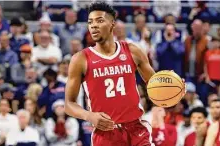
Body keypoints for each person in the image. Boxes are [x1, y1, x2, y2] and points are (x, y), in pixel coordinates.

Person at [65, 2, 167, 146]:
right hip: (106, 133)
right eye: (90, 22)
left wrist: (173, 86)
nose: (94, 25)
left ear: (112, 24)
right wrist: (89, 116)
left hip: (136, 129)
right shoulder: (80, 59)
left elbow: (155, 85)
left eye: (99, 20)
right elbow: (69, 104)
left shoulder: (132, 50)